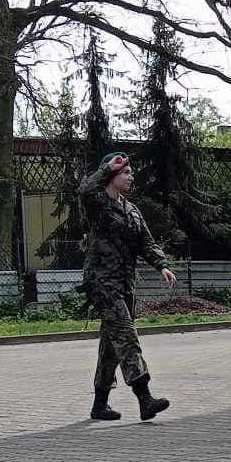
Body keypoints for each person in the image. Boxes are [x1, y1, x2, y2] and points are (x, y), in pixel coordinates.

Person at [79, 152, 177, 422]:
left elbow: (146, 241)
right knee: (126, 335)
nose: (131, 177)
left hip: (124, 283)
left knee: (112, 346)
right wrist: (106, 168)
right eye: (125, 172)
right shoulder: (97, 204)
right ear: (112, 175)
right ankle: (145, 398)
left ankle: (99, 405)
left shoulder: (131, 209)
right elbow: (85, 190)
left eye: (130, 172)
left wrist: (162, 265)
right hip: (102, 283)